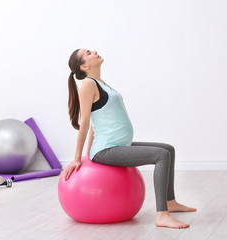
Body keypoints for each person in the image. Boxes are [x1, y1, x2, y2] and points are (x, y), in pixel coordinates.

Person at [64, 48, 197, 229]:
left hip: (118, 145)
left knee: (168, 149)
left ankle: (170, 201)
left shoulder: (101, 83)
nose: (94, 51)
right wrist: (79, 158)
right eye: (88, 52)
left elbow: (96, 122)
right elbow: (86, 123)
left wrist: (88, 154)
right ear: (84, 66)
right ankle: (162, 214)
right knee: (161, 155)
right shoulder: (88, 84)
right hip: (106, 150)